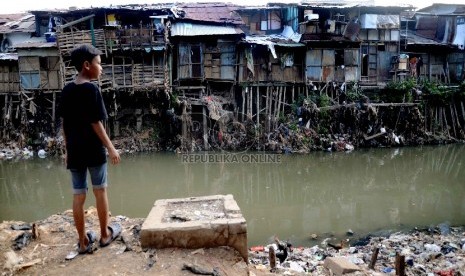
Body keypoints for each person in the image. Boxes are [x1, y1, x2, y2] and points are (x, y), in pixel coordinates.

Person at [58, 44, 121, 254]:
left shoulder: (66, 90)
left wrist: (67, 151)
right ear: (87, 65)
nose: (101, 68)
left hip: (75, 151)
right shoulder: (92, 90)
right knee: (100, 190)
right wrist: (111, 148)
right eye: (99, 64)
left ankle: (83, 242)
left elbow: (64, 124)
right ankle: (104, 235)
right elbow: (96, 123)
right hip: (94, 150)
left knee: (78, 195)